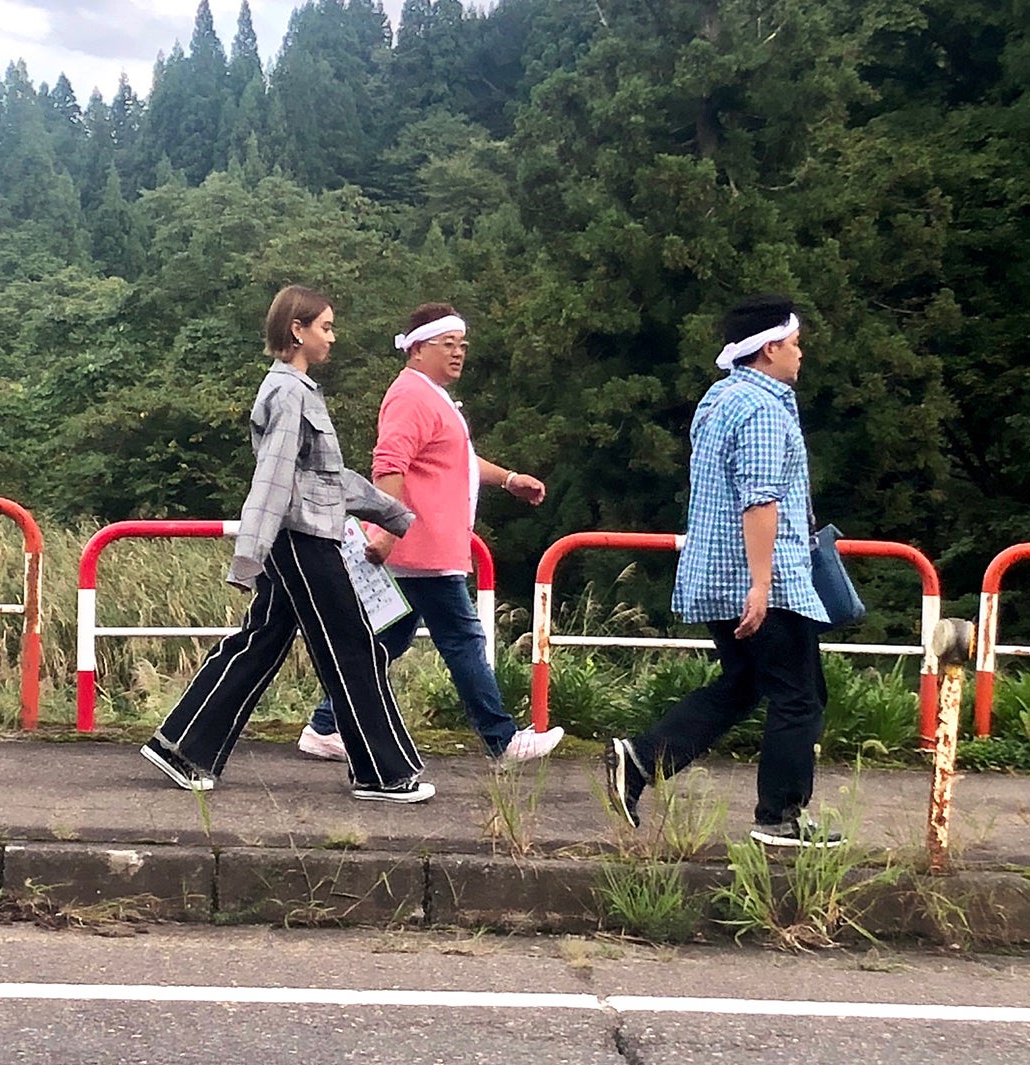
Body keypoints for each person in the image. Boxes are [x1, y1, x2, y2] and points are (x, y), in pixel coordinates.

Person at [141, 285, 434, 803]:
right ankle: (381, 773)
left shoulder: (298, 391)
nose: (332, 338)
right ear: (296, 330)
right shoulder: (288, 393)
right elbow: (273, 479)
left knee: (261, 642)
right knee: (352, 647)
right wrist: (247, 557)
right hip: (303, 541)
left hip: (300, 537)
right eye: (326, 327)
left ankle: (182, 747)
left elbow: (327, 479)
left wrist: (394, 515)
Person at [603, 294, 842, 847]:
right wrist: (762, 585)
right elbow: (759, 500)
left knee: (745, 685)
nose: (801, 353)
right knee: (800, 697)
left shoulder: (720, 398)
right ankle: (780, 818)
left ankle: (642, 760)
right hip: (763, 580)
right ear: (769, 348)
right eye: (795, 343)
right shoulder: (763, 410)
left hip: (715, 574)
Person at [296, 303, 564, 765]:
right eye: (448, 344)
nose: (458, 353)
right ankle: (501, 739)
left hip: (424, 547)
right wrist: (386, 529)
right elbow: (389, 464)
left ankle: (326, 725)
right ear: (418, 349)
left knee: (386, 641)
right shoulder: (411, 397)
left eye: (462, 345)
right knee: (462, 639)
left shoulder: (428, 396)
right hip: (419, 548)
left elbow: (454, 459)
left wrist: (508, 479)